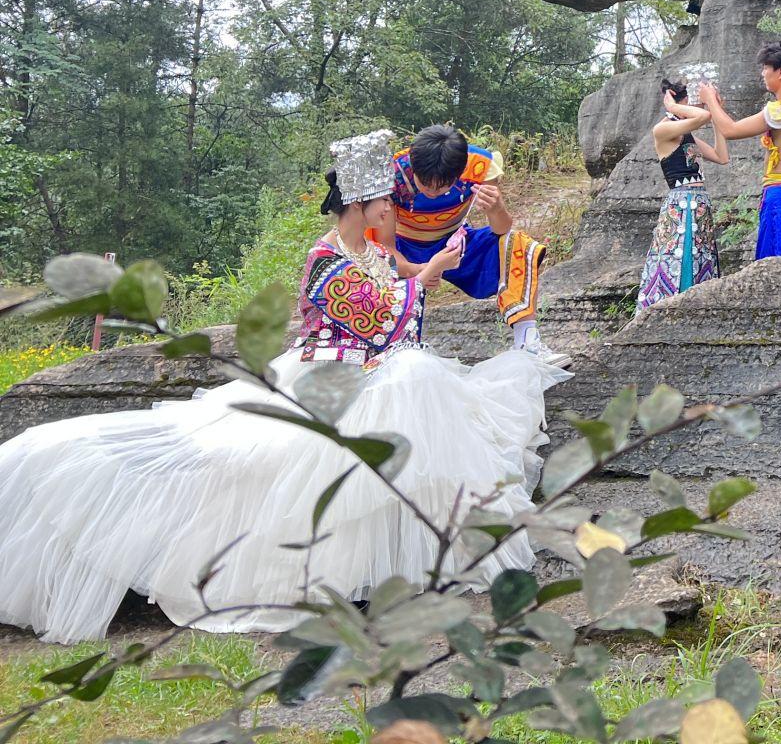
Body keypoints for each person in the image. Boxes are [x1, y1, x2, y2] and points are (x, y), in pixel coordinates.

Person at [0, 130, 566, 644]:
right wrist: (432, 271)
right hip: (327, 374)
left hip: (370, 370)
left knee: (409, 398)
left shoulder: (373, 252)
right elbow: (381, 322)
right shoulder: (325, 262)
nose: (395, 212)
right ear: (360, 207)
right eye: (385, 204)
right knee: (269, 456)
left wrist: (425, 271)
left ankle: (379, 571)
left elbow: (398, 308)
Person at [389, 124, 559, 361]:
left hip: (456, 244)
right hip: (405, 248)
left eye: (443, 186)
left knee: (517, 242)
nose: (433, 192)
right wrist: (420, 270)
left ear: (459, 172)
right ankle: (394, 351)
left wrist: (496, 208)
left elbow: (501, 229)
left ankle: (527, 340)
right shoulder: (391, 174)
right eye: (425, 184)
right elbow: (384, 247)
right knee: (378, 266)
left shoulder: (480, 165)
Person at [700, 40, 781, 259]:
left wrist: (710, 100)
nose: (762, 73)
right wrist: (716, 109)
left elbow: (730, 130)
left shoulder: (780, 111)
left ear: (780, 72)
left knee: (777, 265)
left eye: (766, 67)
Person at [636, 78, 730, 313]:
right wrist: (674, 106)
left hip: (699, 207)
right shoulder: (662, 129)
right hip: (681, 207)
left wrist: (717, 118)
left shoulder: (689, 136)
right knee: (681, 257)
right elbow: (702, 116)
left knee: (701, 259)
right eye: (688, 104)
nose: (691, 109)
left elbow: (722, 156)